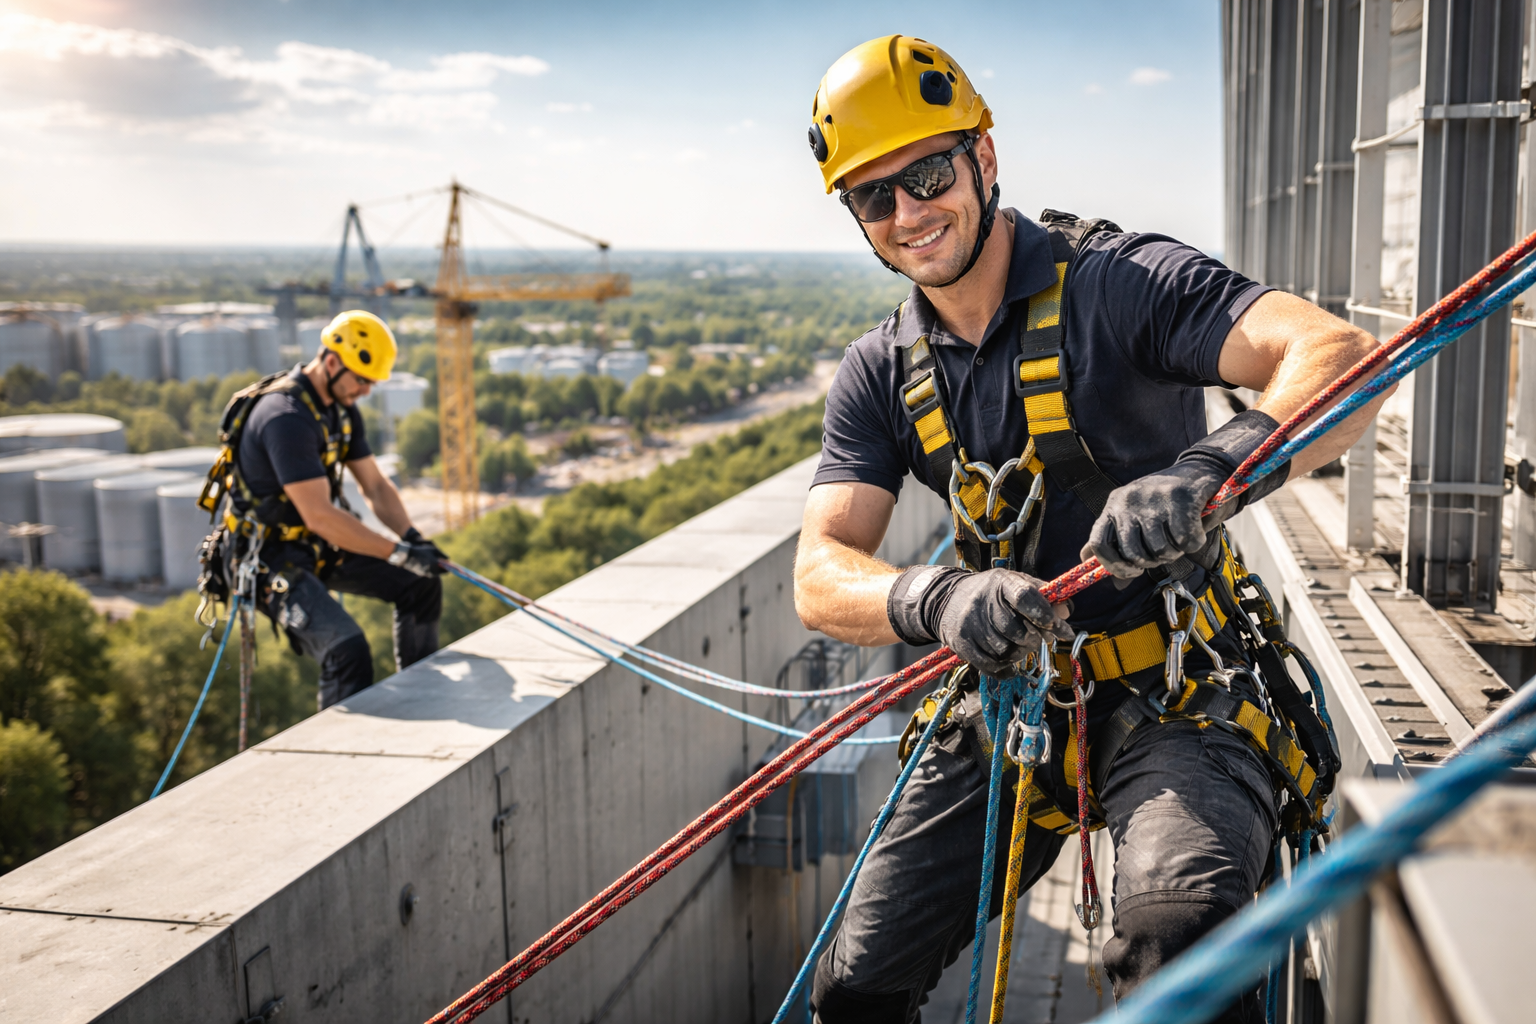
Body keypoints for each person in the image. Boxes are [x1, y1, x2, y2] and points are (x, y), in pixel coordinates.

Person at [793, 36, 1385, 1023]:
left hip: (1178, 688)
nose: (907, 213)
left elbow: (1337, 353)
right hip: (1015, 703)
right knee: (857, 984)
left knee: (1174, 938)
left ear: (983, 158)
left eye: (927, 173)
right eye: (872, 197)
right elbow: (821, 574)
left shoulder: (1118, 284)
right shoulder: (882, 372)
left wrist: (1209, 470)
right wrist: (934, 598)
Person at [223, 309, 446, 709]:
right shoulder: (285, 418)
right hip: (267, 559)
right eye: (362, 380)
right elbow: (321, 515)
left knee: (421, 584)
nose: (366, 391)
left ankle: (423, 691)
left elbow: (375, 484)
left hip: (313, 545)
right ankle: (344, 756)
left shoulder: (339, 410)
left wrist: (412, 539)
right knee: (346, 651)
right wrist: (398, 553)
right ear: (331, 362)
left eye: (371, 383)